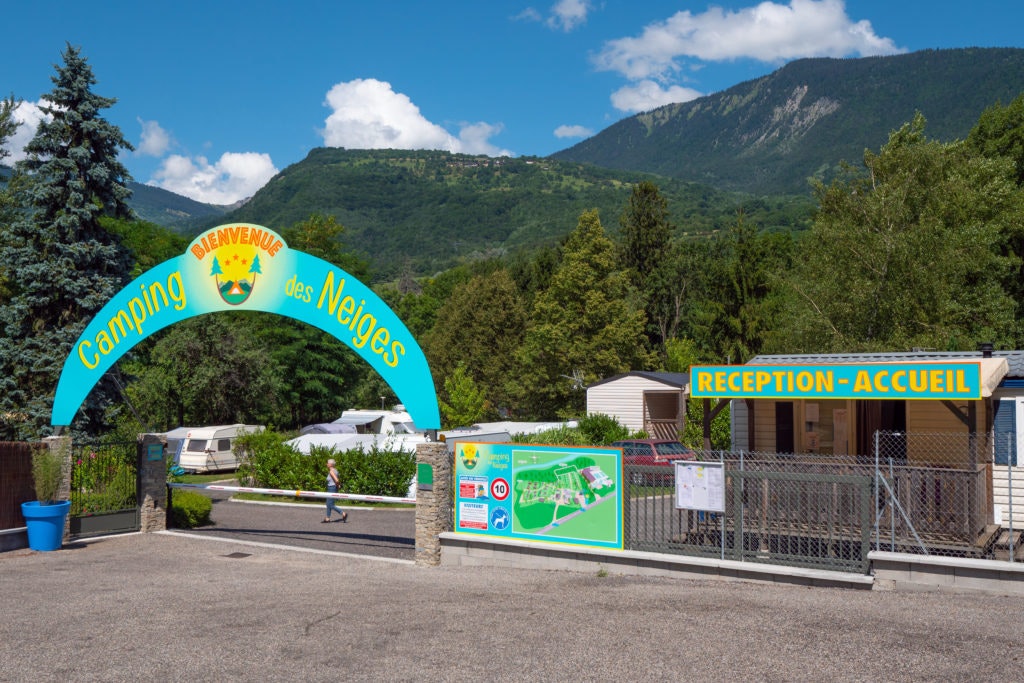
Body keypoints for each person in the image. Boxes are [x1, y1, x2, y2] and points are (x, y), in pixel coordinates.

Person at [323, 458, 348, 523]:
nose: (326, 464)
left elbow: (336, 480)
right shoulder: (336, 470)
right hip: (333, 488)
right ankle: (327, 518)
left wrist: (337, 484)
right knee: (328, 504)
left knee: (330, 504)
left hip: (331, 488)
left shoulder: (331, 471)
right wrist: (338, 486)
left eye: (327, 463)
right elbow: (336, 481)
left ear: (330, 464)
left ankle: (343, 513)